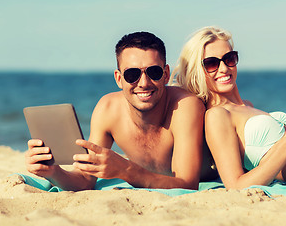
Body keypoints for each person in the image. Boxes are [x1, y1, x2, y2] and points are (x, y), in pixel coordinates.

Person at [172, 26, 286, 190]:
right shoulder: (217, 115)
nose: (224, 68)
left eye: (229, 58)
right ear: (197, 70)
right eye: (212, 63)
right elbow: (235, 186)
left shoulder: (247, 106)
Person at [25, 31, 207, 191]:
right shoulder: (108, 109)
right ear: (119, 79)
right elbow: (85, 180)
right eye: (132, 75)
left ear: (166, 74)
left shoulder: (185, 106)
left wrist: (125, 170)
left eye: (153, 72)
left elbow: (188, 184)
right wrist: (53, 172)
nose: (143, 83)